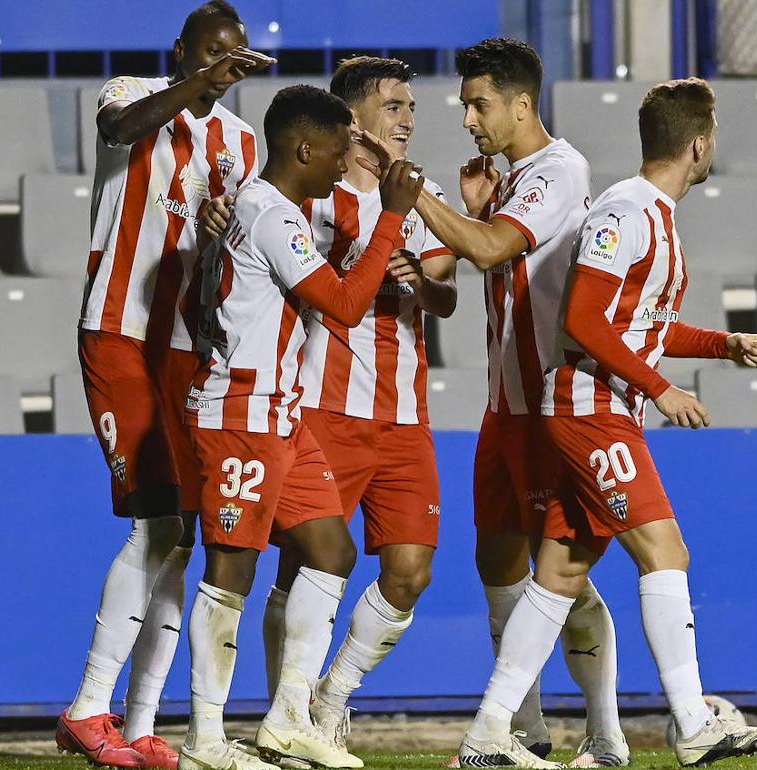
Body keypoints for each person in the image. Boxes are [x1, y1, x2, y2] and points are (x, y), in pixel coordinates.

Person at [459, 78, 757, 768]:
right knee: (666, 553)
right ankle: (693, 722)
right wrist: (661, 388)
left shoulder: (654, 214)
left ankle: (488, 732)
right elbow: (582, 321)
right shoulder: (625, 212)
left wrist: (719, 344)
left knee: (560, 571)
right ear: (700, 144)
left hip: (602, 407)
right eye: (713, 137)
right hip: (591, 412)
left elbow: (640, 326)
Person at [357, 38, 626, 767]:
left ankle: (604, 735)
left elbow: (486, 250)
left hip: (550, 408)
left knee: (563, 578)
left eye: (479, 104)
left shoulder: (559, 170)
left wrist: (427, 201)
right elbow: (490, 260)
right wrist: (475, 203)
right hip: (504, 407)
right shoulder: (510, 181)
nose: (469, 120)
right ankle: (527, 735)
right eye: (466, 105)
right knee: (498, 565)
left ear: (521, 103)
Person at [176, 84, 424, 770]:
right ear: (303, 148)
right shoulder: (269, 213)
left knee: (331, 552)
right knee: (231, 569)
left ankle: (289, 720)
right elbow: (343, 306)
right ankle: (202, 739)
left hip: (279, 415)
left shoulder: (271, 209)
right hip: (240, 414)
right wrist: (392, 217)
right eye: (340, 148)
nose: (346, 162)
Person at [56, 3, 272, 768]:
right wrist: (198, 83)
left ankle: (142, 725)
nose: (225, 66)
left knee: (181, 533)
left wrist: (216, 242)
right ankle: (88, 707)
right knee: (155, 522)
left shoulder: (243, 143)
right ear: (182, 50)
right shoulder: (132, 93)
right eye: (212, 53)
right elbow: (119, 131)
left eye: (235, 56)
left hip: (185, 344)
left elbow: (227, 261)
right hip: (117, 332)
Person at [256, 55, 459, 751]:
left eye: (410, 107)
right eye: (394, 105)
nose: (408, 118)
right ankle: (285, 713)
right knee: (304, 565)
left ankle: (333, 695)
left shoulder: (418, 199)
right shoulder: (315, 196)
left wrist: (421, 284)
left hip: (405, 414)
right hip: (323, 407)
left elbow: (446, 294)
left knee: (410, 572)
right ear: (355, 119)